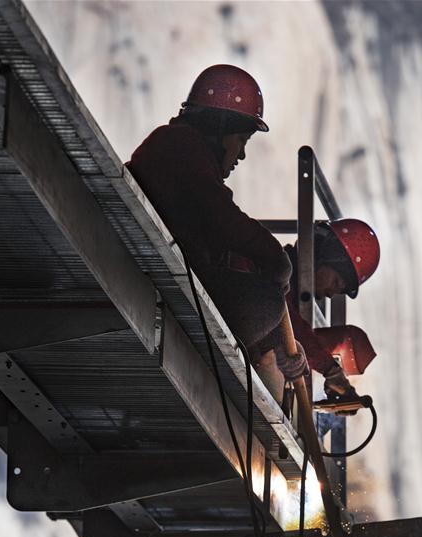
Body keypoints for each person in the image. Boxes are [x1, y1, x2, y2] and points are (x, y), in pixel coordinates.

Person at [126, 64, 308, 381]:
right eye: (241, 140)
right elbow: (224, 221)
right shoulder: (181, 146)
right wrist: (275, 258)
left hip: (160, 281)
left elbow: (224, 250)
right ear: (219, 128)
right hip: (158, 287)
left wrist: (278, 343)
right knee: (266, 301)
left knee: (267, 302)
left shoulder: (177, 149)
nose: (242, 155)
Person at [259, 218, 381, 400]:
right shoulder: (276, 265)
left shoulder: (293, 289)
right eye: (336, 282)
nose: (331, 295)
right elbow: (289, 322)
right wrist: (330, 369)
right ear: (325, 256)